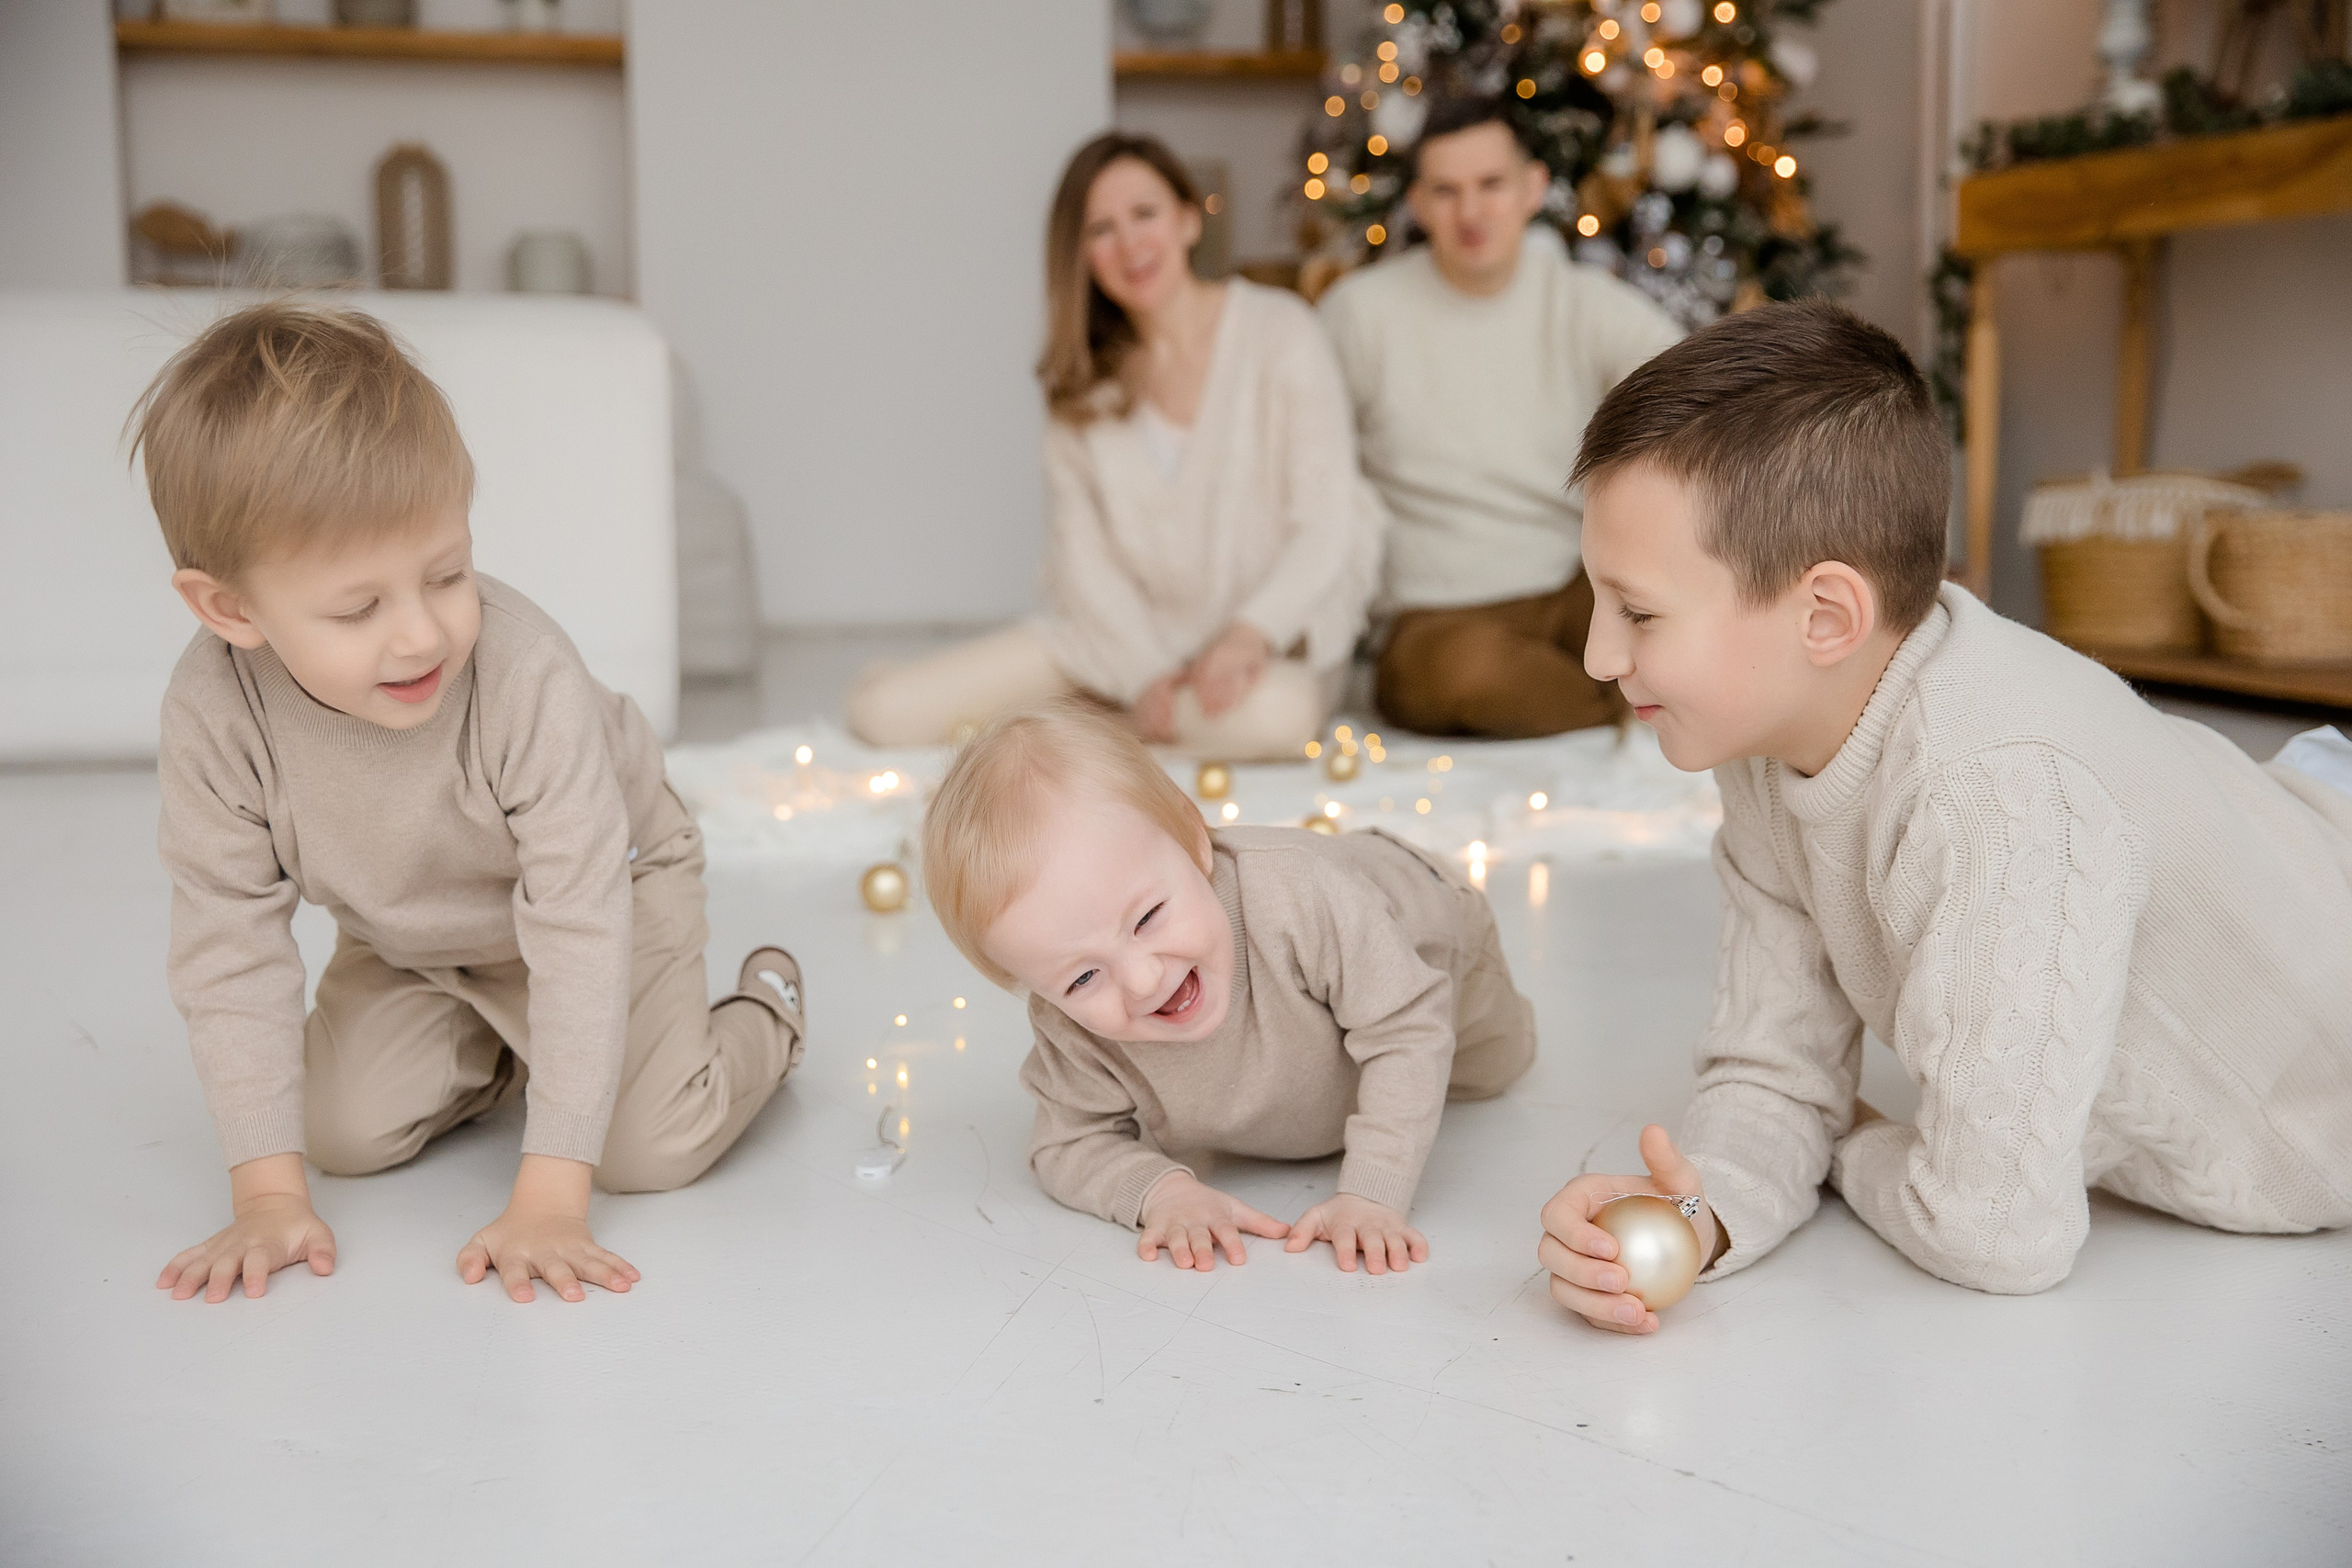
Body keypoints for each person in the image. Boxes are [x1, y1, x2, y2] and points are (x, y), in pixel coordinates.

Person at [1532, 300, 2352, 1332]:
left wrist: (1851, 1143)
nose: (1599, 656)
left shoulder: (2001, 810)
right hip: (2273, 820)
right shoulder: (1766, 735)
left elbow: (1994, 1229)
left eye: (1638, 613)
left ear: (1824, 617)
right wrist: (1691, 1217)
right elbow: (1774, 1075)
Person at [138, 302, 808, 1306]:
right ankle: (509, 1047)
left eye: (446, 573)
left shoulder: (526, 677)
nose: (421, 637)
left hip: (607, 885)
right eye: (359, 608)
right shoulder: (214, 716)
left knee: (643, 1148)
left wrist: (550, 1190)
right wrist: (268, 1192)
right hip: (419, 929)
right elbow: (227, 943)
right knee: (340, 1134)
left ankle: (768, 1009)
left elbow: (579, 924)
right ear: (230, 609)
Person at [922, 700, 1534, 1273]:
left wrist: (1372, 1192)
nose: (1141, 979)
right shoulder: (1070, 1026)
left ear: (1194, 838)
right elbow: (1066, 1145)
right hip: (1321, 1026)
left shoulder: (1293, 898)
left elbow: (1407, 1024)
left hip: (1424, 926)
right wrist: (1163, 1191)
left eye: (1147, 918)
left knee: (1489, 1068)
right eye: (1083, 977)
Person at [848, 132, 1382, 761]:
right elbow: (1085, 561)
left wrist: (1248, 634)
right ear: (1080, 254)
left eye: (1145, 215)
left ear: (1188, 219)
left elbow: (1326, 523)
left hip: (1261, 652)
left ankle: (1084, 728)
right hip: (1116, 651)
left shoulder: (1281, 331)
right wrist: (1144, 674)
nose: (1130, 245)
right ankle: (1120, 716)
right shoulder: (1084, 383)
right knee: (883, 713)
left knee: (1280, 719)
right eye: (1102, 229)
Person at [1317, 96, 1682, 739]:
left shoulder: (1580, 301)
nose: (1471, 212)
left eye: (1491, 185)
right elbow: (1302, 459)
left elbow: (1698, 382)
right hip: (1435, 616)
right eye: (1446, 191)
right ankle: (1625, 708)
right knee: (1467, 677)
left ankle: (1621, 694)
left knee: (1678, 612)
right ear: (1418, 204)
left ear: (1532, 188)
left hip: (1577, 589)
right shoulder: (1360, 314)